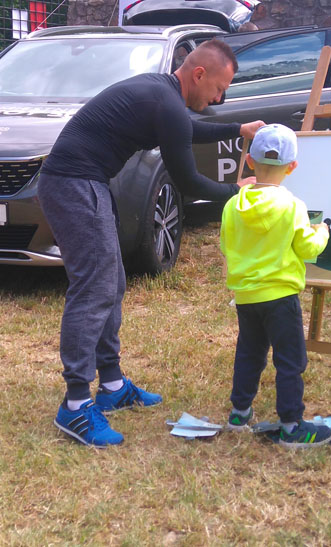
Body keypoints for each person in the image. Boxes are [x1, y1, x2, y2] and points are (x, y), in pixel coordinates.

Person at [39, 39, 264, 447]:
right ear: (199, 74)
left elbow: (186, 130)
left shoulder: (164, 95)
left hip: (81, 182)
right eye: (219, 89)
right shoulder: (165, 102)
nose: (220, 98)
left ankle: (111, 385)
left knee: (112, 284)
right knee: (94, 288)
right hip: (75, 184)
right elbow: (188, 181)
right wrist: (237, 192)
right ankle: (74, 404)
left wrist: (237, 129)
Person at [220, 124, 331, 448]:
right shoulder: (292, 205)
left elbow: (226, 245)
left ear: (250, 162)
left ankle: (239, 413)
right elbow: (307, 248)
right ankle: (291, 425)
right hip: (281, 297)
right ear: (292, 166)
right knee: (290, 361)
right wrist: (322, 232)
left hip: (246, 297)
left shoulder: (232, 206)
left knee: (249, 354)